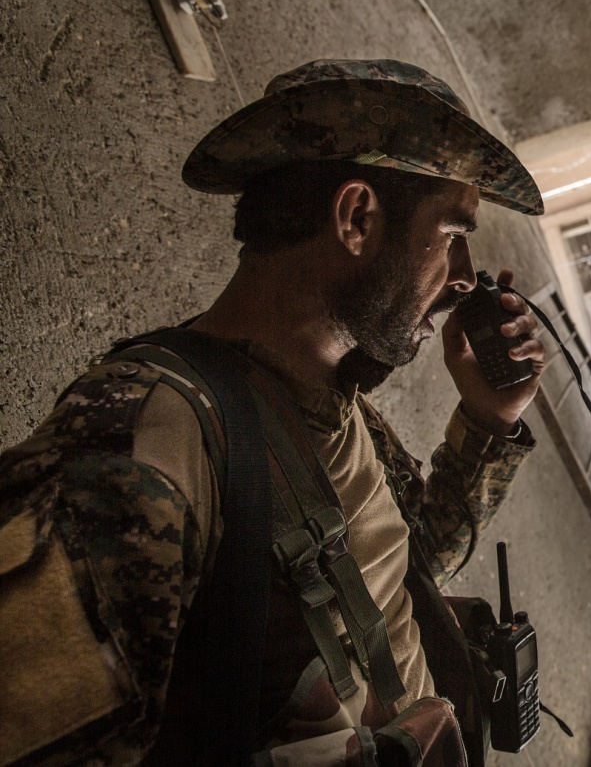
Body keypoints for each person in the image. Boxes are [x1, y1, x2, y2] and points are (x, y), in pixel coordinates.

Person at [0, 60, 548, 765]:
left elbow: (403, 569)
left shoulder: (333, 406)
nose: (466, 275)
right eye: (450, 234)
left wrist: (488, 418)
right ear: (357, 218)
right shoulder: (137, 453)